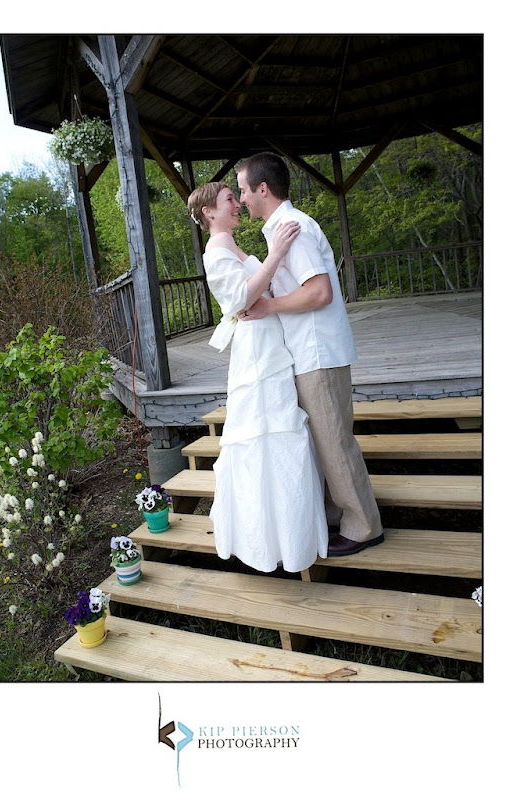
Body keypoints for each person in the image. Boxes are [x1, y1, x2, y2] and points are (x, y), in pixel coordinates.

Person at [235, 152, 384, 556]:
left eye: (243, 190)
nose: (241, 198)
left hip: (318, 352)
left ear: (262, 188)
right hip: (307, 352)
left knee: (334, 442)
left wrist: (268, 305)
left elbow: (319, 292)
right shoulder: (280, 229)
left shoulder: (293, 227)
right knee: (323, 442)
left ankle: (364, 527)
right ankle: (338, 515)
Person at [187, 181, 328, 573]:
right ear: (209, 212)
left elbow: (259, 287)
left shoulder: (229, 244)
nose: (238, 203)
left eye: (237, 197)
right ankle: (266, 540)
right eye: (229, 199)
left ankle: (291, 534)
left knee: (281, 430)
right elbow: (239, 298)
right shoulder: (216, 250)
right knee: (263, 433)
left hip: (269, 343)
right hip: (256, 353)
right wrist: (276, 253)